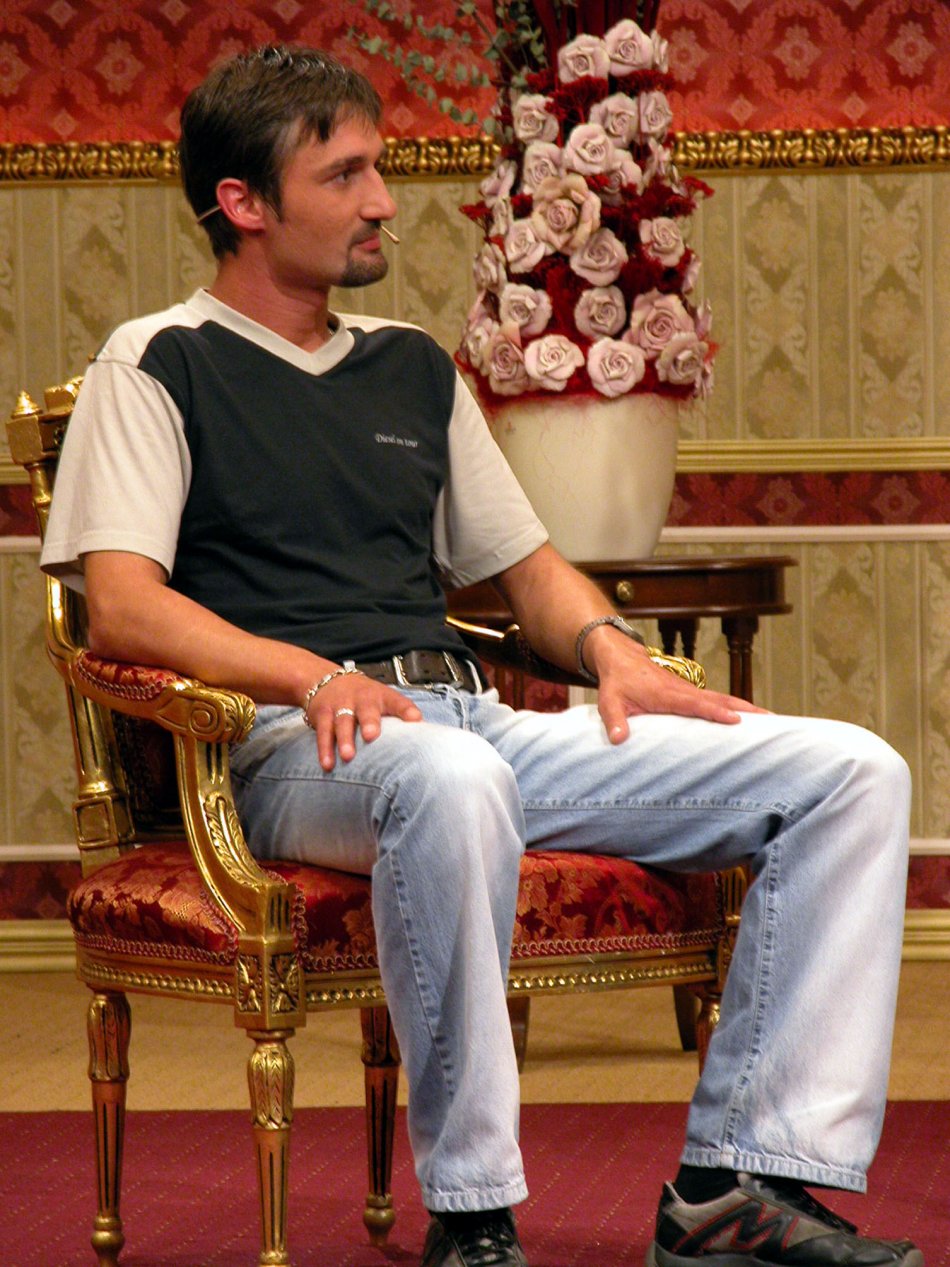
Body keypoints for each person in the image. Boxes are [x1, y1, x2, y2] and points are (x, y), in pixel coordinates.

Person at [40, 44, 923, 1267]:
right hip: (293, 748)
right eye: (343, 176)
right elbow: (124, 609)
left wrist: (609, 651)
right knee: (450, 780)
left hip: (475, 726)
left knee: (849, 771)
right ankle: (473, 1212)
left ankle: (741, 1181)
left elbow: (526, 569)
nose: (382, 201)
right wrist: (310, 676)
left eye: (378, 169)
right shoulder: (157, 363)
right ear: (242, 202)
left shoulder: (409, 366)